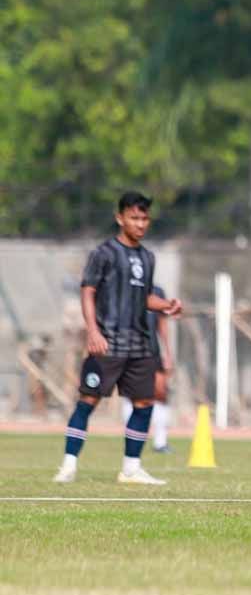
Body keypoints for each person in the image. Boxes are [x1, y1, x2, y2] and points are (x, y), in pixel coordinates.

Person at [53, 192, 183, 485]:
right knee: (87, 401)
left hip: (140, 345)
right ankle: (68, 465)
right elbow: (88, 290)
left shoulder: (148, 257)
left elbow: (144, 296)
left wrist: (166, 305)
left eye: (144, 218)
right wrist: (93, 331)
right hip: (108, 343)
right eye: (134, 218)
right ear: (120, 218)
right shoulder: (104, 253)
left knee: (144, 404)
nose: (140, 224)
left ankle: (131, 468)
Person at [122, 285, 175, 453]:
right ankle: (133, 441)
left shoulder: (157, 291)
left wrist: (167, 352)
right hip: (126, 350)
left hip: (151, 351)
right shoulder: (121, 287)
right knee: (130, 396)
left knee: (160, 393)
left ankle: (160, 442)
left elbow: (162, 323)